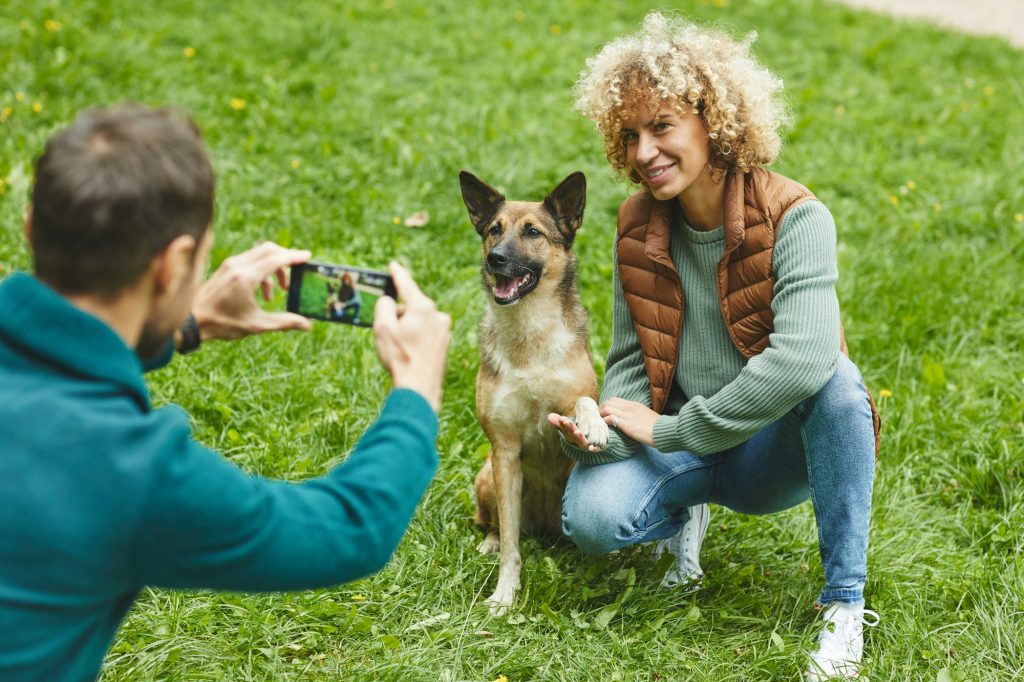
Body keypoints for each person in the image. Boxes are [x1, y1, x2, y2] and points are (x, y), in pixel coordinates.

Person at [0, 103, 452, 681]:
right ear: (172, 264)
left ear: (31, 225)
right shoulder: (131, 472)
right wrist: (414, 392)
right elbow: (348, 529)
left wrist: (186, 324)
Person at [548, 13, 880, 680]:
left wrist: (674, 431)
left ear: (713, 120)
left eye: (662, 126)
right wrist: (601, 433)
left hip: (767, 451)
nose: (645, 152)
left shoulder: (796, 216)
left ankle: (845, 602)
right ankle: (684, 519)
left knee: (839, 386)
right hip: (682, 442)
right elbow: (632, 360)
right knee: (589, 519)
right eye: (631, 135)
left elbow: (803, 361)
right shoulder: (636, 223)